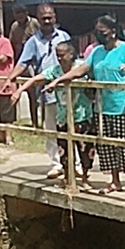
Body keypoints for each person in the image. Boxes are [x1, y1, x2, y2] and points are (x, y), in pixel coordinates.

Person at [48, 15, 125, 194]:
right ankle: (115, 181)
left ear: (113, 32)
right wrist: (58, 80)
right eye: (97, 32)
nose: (99, 35)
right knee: (106, 145)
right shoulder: (97, 52)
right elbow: (81, 70)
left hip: (121, 104)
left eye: (103, 32)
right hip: (102, 105)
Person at [17, 41, 96, 187]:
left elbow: (93, 77)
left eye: (62, 55)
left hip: (82, 115)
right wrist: (19, 91)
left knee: (85, 149)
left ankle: (84, 178)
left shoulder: (81, 66)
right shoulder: (55, 70)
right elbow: (36, 79)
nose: (59, 59)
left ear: (71, 54)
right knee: (64, 149)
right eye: (57, 55)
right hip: (63, 116)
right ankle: (67, 177)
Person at [7, 4, 70, 177]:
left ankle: (75, 163)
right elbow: (23, 62)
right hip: (47, 90)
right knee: (51, 129)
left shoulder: (64, 36)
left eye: (50, 17)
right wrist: (10, 78)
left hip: (67, 90)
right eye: (44, 18)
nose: (47, 21)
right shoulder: (33, 41)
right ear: (39, 19)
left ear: (55, 17)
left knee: (71, 128)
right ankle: (56, 163)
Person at [8, 5, 41, 128]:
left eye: (20, 13)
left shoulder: (34, 23)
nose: (18, 16)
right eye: (16, 14)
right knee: (15, 93)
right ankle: (13, 121)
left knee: (34, 96)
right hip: (20, 63)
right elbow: (12, 44)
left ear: (26, 13)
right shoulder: (14, 27)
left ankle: (35, 122)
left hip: (33, 63)